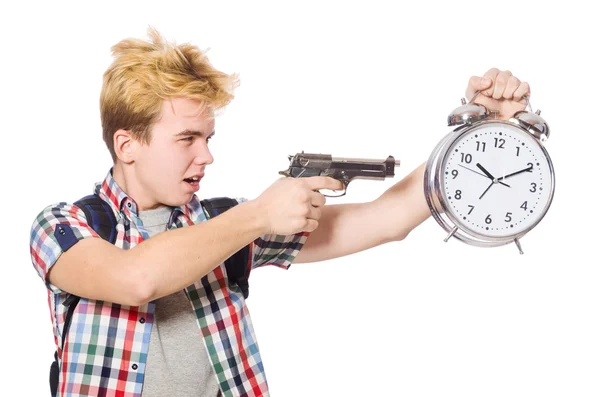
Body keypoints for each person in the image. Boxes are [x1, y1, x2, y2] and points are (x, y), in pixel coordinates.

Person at [29, 27, 531, 397]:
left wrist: (482, 130)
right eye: (186, 139)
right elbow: (136, 279)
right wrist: (258, 216)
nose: (206, 156)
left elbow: (387, 220)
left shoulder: (228, 227)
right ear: (127, 144)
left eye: (208, 138)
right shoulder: (63, 226)